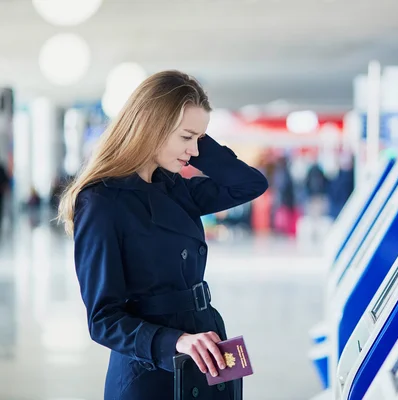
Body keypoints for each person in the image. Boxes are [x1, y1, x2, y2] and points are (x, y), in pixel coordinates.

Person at [57, 70, 268, 400]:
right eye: (187, 138)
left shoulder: (176, 187)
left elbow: (251, 184)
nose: (195, 152)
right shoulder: (101, 201)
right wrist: (176, 341)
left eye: (199, 139)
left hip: (208, 337)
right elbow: (103, 320)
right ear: (151, 128)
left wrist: (195, 135)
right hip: (153, 364)